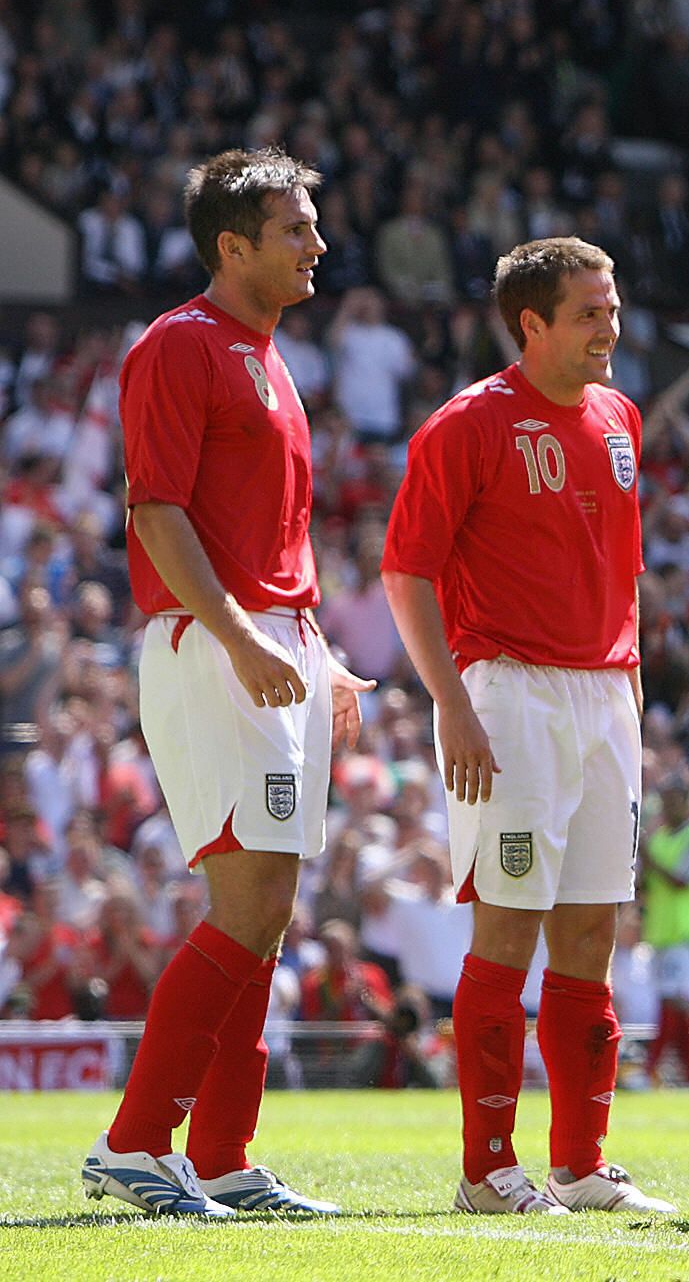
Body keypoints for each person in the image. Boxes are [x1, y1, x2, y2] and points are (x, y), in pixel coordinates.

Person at [82, 147, 375, 1218]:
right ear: (232, 245)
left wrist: (313, 645)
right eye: (296, 228)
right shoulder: (178, 346)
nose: (318, 244)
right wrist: (246, 633)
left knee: (271, 910)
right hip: (211, 645)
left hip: (271, 641)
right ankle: (133, 1142)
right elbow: (155, 510)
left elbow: (270, 534)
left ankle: (222, 1156)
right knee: (249, 899)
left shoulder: (271, 358)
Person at [382, 236, 672, 1216]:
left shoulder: (620, 417)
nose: (610, 326)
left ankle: (581, 1162)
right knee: (506, 924)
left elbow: (621, 569)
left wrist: (630, 687)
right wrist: (452, 700)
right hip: (507, 690)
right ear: (531, 323)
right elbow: (405, 570)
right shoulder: (468, 423)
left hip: (606, 692)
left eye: (614, 304)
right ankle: (484, 1166)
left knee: (591, 924)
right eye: (589, 311)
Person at [642, 778, 689, 1087]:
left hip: (684, 934)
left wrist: (649, 860)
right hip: (660, 932)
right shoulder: (659, 838)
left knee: (674, 1004)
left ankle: (652, 1072)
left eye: (673, 800)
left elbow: (684, 879)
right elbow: (646, 885)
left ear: (686, 801)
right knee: (673, 1004)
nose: (667, 807)